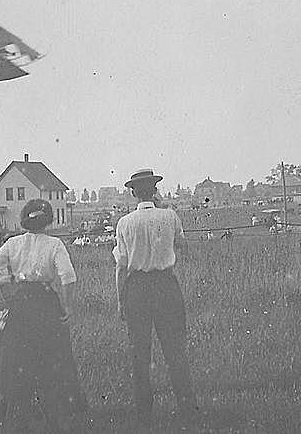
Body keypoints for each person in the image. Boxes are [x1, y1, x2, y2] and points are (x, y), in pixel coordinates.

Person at [0, 198, 86, 433]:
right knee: (51, 362)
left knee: (18, 363)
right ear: (47, 220)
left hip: (20, 304)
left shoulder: (12, 243)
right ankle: (55, 418)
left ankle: (19, 419)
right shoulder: (54, 244)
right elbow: (68, 277)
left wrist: (1, 301)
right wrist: (66, 306)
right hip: (46, 304)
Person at [114, 169, 197, 424]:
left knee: (140, 353)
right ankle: (187, 409)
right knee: (175, 351)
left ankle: (144, 413)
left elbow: (122, 266)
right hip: (165, 285)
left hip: (137, 288)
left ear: (132, 193)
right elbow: (181, 246)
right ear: (155, 190)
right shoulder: (170, 216)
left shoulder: (125, 223)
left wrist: (120, 300)